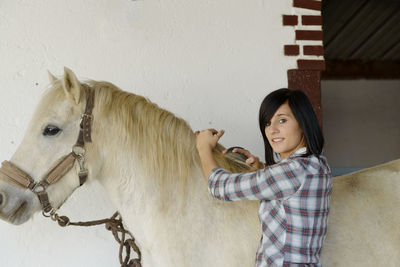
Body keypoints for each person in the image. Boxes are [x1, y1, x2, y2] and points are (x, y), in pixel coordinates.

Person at [195, 88, 332, 267]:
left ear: (303, 122)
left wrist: (203, 149)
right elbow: (290, 190)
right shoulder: (318, 165)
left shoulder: (293, 171)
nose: (272, 130)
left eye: (282, 120)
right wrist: (261, 168)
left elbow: (220, 187)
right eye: (267, 123)